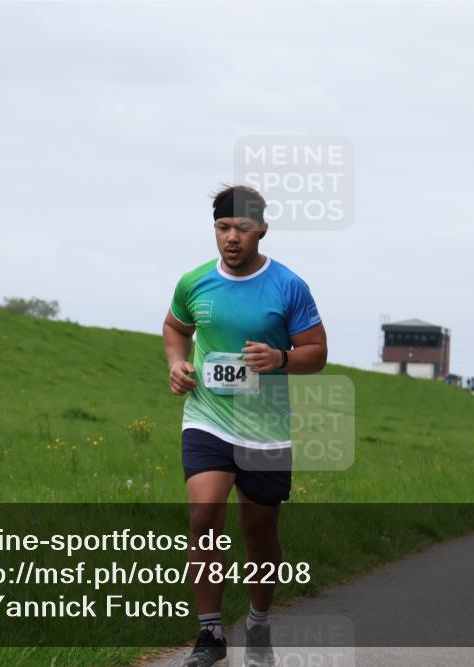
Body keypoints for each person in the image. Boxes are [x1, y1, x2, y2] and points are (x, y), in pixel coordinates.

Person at [163, 185, 328, 667]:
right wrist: (176, 364)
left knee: (260, 534)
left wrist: (280, 358)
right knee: (204, 517)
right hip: (207, 418)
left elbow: (317, 353)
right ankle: (210, 633)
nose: (231, 237)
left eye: (242, 228)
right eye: (222, 227)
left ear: (262, 230)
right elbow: (176, 328)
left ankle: (258, 622)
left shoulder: (289, 286)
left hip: (266, 429)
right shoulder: (194, 282)